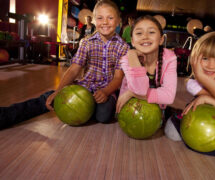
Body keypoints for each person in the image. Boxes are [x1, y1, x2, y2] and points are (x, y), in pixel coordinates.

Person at [0, 0, 129, 130]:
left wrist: (106, 92)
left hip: (107, 90)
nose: (105, 22)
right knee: (51, 99)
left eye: (110, 18)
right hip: (85, 87)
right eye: (100, 18)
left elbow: (118, 78)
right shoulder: (87, 43)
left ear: (118, 20)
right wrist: (59, 91)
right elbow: (73, 70)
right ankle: (7, 115)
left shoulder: (123, 47)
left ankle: (89, 107)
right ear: (94, 20)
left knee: (104, 116)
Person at [116, 15, 177, 121]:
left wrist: (131, 92)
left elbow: (168, 96)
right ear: (133, 41)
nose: (145, 36)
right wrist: (132, 55)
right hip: (130, 107)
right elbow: (140, 90)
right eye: (139, 33)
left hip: (156, 108)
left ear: (161, 39)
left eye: (151, 32)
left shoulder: (170, 58)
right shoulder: (127, 59)